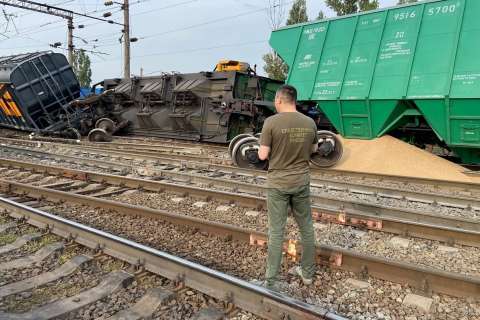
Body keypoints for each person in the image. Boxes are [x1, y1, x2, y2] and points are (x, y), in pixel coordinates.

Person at [258, 84, 318, 291]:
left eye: (275, 100)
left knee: (276, 231)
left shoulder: (271, 122)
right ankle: (308, 274)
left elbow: (262, 156)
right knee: (306, 228)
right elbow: (314, 149)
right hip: (301, 182)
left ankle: (271, 281)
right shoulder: (309, 122)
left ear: (280, 100)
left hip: (278, 184)